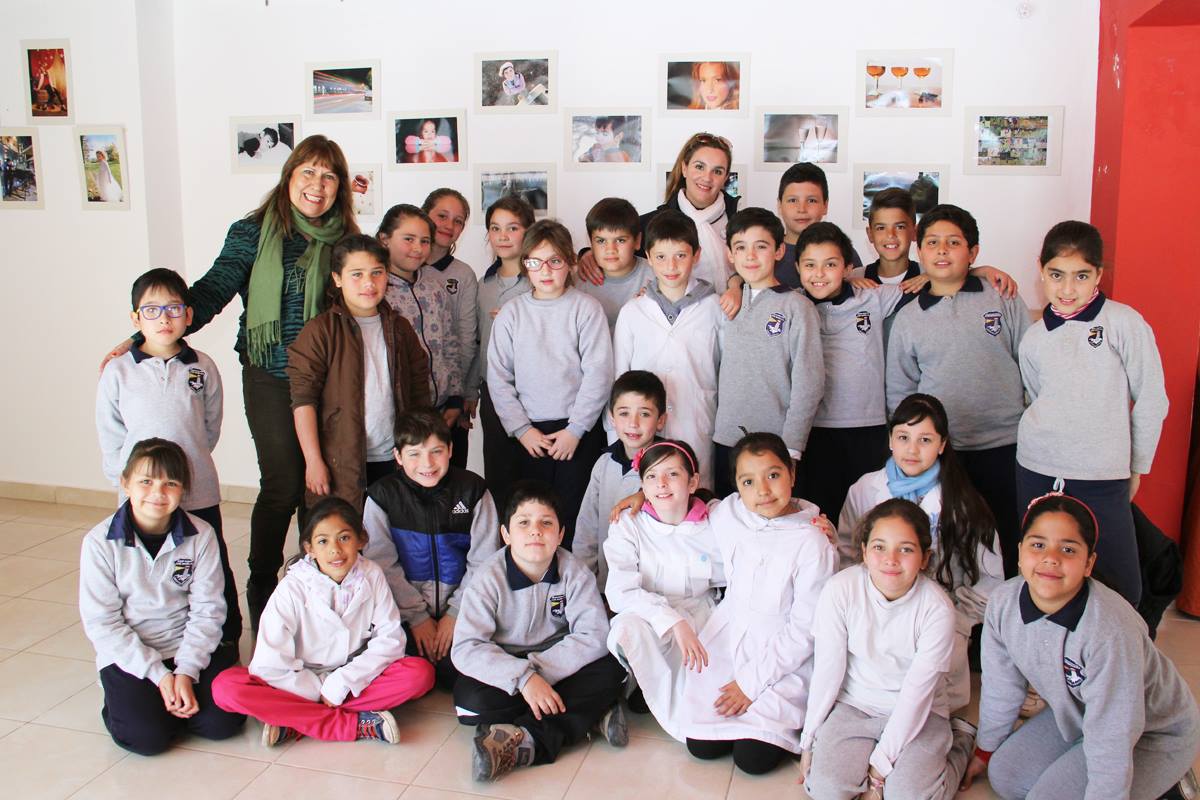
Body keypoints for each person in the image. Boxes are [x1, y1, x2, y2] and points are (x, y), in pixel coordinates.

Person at [101, 135, 359, 629]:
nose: (317, 184)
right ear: (289, 177)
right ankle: (262, 588)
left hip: (329, 382)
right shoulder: (252, 233)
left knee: (321, 491)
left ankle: (314, 588)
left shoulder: (344, 238)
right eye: (308, 171)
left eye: (329, 176)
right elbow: (210, 292)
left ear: (340, 188)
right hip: (269, 375)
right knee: (284, 484)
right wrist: (143, 334)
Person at [963, 494, 1200, 800]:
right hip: (1079, 713)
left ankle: (1170, 783)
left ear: (1088, 563)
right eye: (1038, 545)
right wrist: (985, 749)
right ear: (1020, 553)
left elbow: (1114, 734)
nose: (1051, 557)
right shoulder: (1003, 603)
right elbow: (1001, 685)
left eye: (1068, 549)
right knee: (1005, 775)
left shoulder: (1108, 630)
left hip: (1150, 733)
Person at [1015, 221, 1168, 606]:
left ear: (1098, 274)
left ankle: (1119, 658)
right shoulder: (1034, 337)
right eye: (1057, 275)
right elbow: (1036, 398)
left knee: (1119, 582)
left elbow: (1152, 399)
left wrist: (1137, 468)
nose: (1067, 289)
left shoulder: (1123, 323)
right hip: (1037, 467)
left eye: (1081, 276)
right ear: (1041, 270)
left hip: (1102, 473)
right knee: (1044, 574)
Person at [212, 496, 435, 746]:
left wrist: (342, 682)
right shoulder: (291, 588)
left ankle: (295, 721)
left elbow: (391, 640)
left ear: (361, 539)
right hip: (297, 681)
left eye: (344, 538)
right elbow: (269, 663)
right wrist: (319, 689)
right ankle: (355, 724)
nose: (335, 551)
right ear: (309, 548)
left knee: (420, 674)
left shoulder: (371, 573)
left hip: (352, 675)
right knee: (225, 688)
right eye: (323, 541)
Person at [96, 267, 241, 643]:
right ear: (135, 318)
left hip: (197, 490)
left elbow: (210, 425)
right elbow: (111, 433)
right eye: (152, 310)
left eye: (174, 309)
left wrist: (189, 468)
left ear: (189, 315)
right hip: (142, 495)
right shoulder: (118, 371)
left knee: (209, 561)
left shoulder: (202, 366)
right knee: (148, 567)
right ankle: (155, 636)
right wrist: (126, 483)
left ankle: (224, 638)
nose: (164, 319)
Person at [886, 204, 1030, 576]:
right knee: (952, 539)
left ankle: (1002, 623)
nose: (942, 250)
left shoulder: (1001, 297)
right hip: (946, 453)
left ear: (973, 252)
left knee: (1007, 534)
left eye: (953, 242)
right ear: (920, 252)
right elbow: (901, 391)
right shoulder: (909, 318)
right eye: (932, 242)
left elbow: (1031, 366)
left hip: (1005, 444)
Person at [800, 498, 976, 800]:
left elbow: (917, 694)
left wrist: (879, 770)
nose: (891, 559)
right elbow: (828, 671)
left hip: (920, 713)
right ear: (864, 552)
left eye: (906, 549)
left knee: (910, 795)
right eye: (879, 547)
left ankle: (960, 743)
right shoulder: (841, 589)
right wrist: (809, 741)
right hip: (855, 705)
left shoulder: (937, 609)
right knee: (826, 790)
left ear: (924, 557)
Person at [682, 432, 837, 775]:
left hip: (783, 655)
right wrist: (637, 498)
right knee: (701, 746)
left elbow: (805, 629)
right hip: (730, 641)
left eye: (773, 475)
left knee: (751, 760)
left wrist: (750, 684)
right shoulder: (733, 514)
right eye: (748, 481)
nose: (763, 491)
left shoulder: (813, 540)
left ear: (792, 474)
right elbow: (690, 504)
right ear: (736, 487)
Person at [451, 481, 628, 781]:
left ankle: (525, 740)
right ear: (506, 534)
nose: (535, 531)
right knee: (471, 704)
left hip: (559, 661)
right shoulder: (486, 579)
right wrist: (523, 678)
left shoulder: (574, 572)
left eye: (546, 523)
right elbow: (467, 647)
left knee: (615, 667)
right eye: (523, 523)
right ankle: (589, 714)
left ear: (560, 534)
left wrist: (537, 673)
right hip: (507, 663)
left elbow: (594, 634)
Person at [79, 439, 245, 755]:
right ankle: (126, 701)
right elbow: (103, 624)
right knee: (147, 739)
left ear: (183, 489)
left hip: (187, 646)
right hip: (132, 653)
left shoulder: (202, 534)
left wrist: (185, 671)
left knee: (224, 723)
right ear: (125, 483)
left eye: (170, 483)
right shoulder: (99, 544)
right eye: (145, 481)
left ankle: (168, 702)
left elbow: (209, 610)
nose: (158, 492)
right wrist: (159, 675)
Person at [839, 393, 1004, 711]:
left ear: (942, 445)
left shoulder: (963, 502)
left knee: (926, 708)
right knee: (869, 703)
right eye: (903, 437)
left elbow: (991, 578)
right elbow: (847, 556)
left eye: (925, 439)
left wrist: (958, 622)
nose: (912, 450)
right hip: (876, 613)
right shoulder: (864, 490)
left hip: (937, 618)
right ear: (890, 440)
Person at [487, 220, 613, 543]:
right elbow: (498, 378)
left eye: (555, 261)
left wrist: (576, 430)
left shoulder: (586, 309)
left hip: (576, 433)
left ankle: (572, 586)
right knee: (530, 518)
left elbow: (598, 373)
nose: (545, 271)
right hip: (527, 433)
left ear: (571, 262)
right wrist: (522, 430)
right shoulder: (511, 314)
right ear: (525, 264)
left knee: (572, 516)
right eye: (535, 262)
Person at [286, 234, 432, 510]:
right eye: (357, 274)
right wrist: (313, 461)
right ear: (337, 278)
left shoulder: (399, 328)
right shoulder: (320, 332)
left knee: (391, 539)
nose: (368, 283)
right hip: (341, 461)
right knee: (345, 537)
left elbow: (419, 391)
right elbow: (304, 402)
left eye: (377, 273)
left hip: (395, 457)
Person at [363, 409, 502, 690]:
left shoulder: (473, 490)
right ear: (398, 457)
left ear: (451, 450)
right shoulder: (382, 496)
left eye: (436, 451)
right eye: (414, 454)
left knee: (456, 673)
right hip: (404, 612)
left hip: (462, 609)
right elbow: (381, 564)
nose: (426, 463)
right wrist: (417, 617)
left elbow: (484, 561)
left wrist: (455, 613)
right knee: (410, 668)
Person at [605, 440, 724, 739]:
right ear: (641, 485)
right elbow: (620, 590)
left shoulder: (718, 520)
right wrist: (673, 621)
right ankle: (648, 690)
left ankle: (684, 702)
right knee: (625, 629)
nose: (662, 484)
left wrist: (813, 519)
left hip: (705, 614)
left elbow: (766, 512)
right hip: (653, 617)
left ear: (693, 481)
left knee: (709, 692)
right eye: (651, 477)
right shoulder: (629, 524)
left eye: (672, 474)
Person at [794, 222, 907, 523]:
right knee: (820, 515)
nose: (819, 274)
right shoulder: (792, 305)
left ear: (847, 267)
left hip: (867, 428)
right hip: (814, 430)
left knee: (869, 516)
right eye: (810, 265)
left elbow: (932, 282)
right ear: (797, 267)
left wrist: (980, 270)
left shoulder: (871, 298)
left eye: (830, 264)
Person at [712, 207, 823, 498]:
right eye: (741, 247)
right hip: (726, 439)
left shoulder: (797, 307)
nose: (750, 256)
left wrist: (791, 449)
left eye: (760, 247)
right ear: (730, 254)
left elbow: (808, 384)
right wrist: (734, 284)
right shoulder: (725, 304)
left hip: (775, 445)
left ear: (779, 251)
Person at [613, 211, 723, 488]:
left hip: (697, 423)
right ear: (648, 257)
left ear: (696, 256)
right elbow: (619, 377)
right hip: (642, 431)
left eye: (681, 255)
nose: (671, 265)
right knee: (648, 498)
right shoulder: (633, 311)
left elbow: (726, 372)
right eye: (661, 257)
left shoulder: (715, 308)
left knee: (696, 498)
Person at [577, 133, 741, 319]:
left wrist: (737, 286)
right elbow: (618, 242)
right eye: (699, 167)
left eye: (717, 171)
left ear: (726, 177)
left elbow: (752, 268)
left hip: (730, 322)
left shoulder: (739, 222)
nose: (707, 177)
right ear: (684, 168)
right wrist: (587, 254)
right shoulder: (652, 224)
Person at [574, 370, 668, 588]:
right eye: (624, 413)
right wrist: (587, 587)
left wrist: (645, 494)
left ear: (660, 420)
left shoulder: (669, 464)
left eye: (644, 414)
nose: (633, 423)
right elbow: (586, 530)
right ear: (611, 417)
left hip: (653, 588)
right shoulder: (604, 463)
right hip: (606, 586)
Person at [469, 196, 534, 504]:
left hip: (535, 392)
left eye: (512, 228)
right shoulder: (484, 285)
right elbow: (476, 341)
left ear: (529, 231)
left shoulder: (542, 280)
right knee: (499, 473)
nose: (503, 236)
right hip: (493, 393)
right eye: (495, 228)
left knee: (533, 474)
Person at [378, 204, 465, 433]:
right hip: (400, 415)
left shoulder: (434, 287)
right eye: (409, 239)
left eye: (425, 241)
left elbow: (450, 343)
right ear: (384, 239)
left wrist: (456, 397)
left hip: (442, 408)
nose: (418, 248)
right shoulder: (377, 292)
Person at [422, 188, 479, 468]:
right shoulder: (401, 266)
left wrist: (464, 393)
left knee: (452, 475)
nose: (448, 225)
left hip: (451, 398)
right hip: (411, 397)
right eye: (442, 216)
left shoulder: (463, 275)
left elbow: (468, 340)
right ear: (424, 215)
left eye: (458, 221)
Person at [774, 163, 862, 289]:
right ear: (779, 205)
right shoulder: (767, 252)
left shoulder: (841, 251)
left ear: (825, 206)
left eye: (811, 200)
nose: (802, 209)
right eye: (793, 200)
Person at [575, 197, 653, 331]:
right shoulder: (579, 282)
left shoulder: (655, 276)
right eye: (601, 241)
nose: (610, 249)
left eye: (620, 240)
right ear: (590, 243)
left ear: (637, 241)